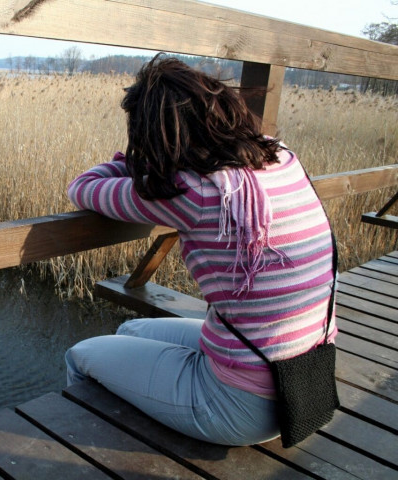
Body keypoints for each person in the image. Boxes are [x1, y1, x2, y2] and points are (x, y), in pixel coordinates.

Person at [65, 53, 337, 446]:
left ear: (155, 134)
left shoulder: (189, 191)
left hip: (236, 406)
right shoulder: (280, 156)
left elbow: (82, 187)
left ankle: (98, 455)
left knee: (80, 355)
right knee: (130, 329)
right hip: (300, 386)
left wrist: (131, 161)